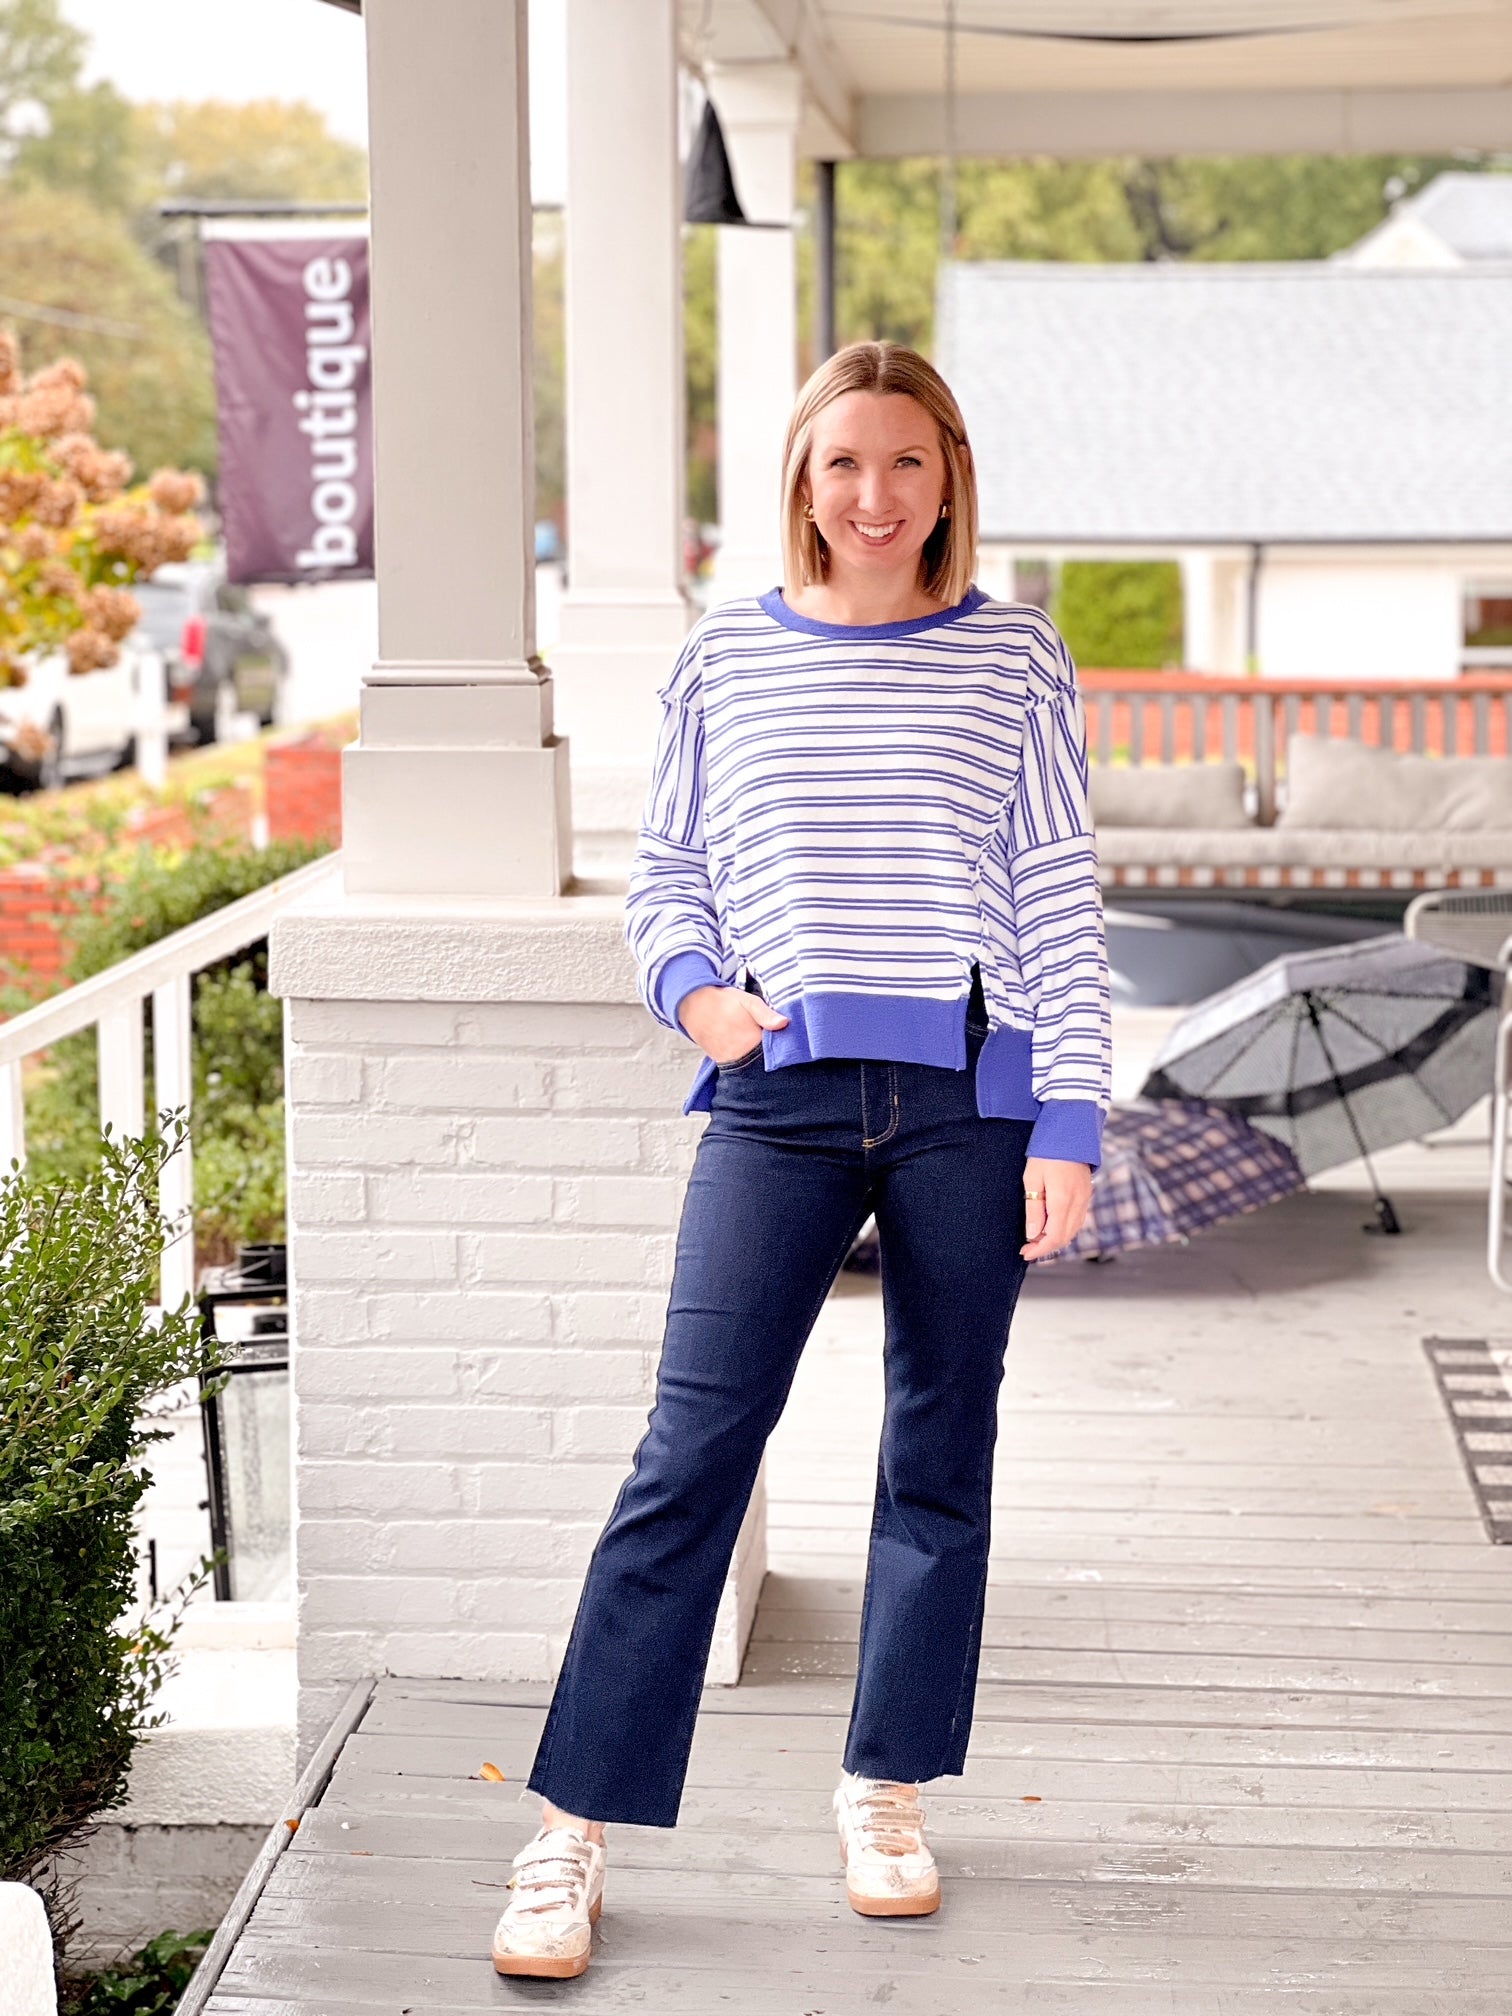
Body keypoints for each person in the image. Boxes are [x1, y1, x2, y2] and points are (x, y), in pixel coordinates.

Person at [491, 340, 1113, 1980]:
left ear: (949, 475)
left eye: (908, 460)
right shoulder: (725, 657)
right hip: (776, 1098)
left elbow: (1057, 896)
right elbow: (667, 875)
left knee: (939, 1451)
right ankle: (570, 1829)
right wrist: (696, 997)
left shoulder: (1016, 658)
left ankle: (885, 1788)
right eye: (845, 462)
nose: (875, 494)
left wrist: (1070, 1122)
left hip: (970, 1104)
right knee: (692, 1450)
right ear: (801, 479)